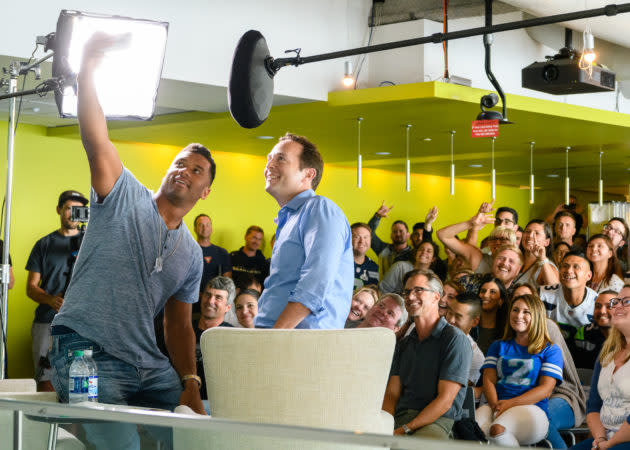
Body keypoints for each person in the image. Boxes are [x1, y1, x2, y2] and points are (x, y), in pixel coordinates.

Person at [48, 34, 210, 448]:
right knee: (122, 446)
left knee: (189, 439)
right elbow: (95, 136)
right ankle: (79, 417)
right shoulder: (123, 193)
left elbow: (179, 325)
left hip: (149, 366)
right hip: (84, 349)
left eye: (196, 170)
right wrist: (88, 66)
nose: (184, 171)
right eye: (179, 163)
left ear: (204, 191)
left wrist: (189, 380)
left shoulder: (191, 254)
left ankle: (82, 422)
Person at [254, 133, 353, 329]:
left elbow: (316, 282)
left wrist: (276, 334)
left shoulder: (319, 208)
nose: (269, 165)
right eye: (269, 158)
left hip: (299, 343)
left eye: (280, 158)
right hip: (280, 338)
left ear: (308, 174)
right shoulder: (291, 217)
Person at [382, 269, 472, 439]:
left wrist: (403, 430)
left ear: (437, 296)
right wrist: (384, 425)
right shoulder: (404, 344)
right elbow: (391, 394)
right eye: (407, 292)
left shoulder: (455, 339)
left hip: (436, 421)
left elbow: (445, 401)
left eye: (418, 290)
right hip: (401, 417)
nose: (410, 296)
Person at [476, 294, 563, 447]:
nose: (518, 316)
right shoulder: (497, 345)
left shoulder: (550, 349)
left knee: (496, 430)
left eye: (526, 312)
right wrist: (496, 405)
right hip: (496, 405)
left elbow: (546, 390)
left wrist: (509, 404)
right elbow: (488, 379)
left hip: (532, 410)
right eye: (515, 310)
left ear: (536, 316)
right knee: (474, 433)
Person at [511, 284, 587, 449]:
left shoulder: (547, 327)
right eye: (516, 304)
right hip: (524, 397)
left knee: (539, 419)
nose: (521, 312)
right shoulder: (511, 329)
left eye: (528, 304)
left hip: (561, 394)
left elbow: (559, 379)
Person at [26, 190, 87, 392]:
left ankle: (77, 424)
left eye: (79, 210)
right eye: (69, 208)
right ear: (59, 210)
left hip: (82, 322)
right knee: (46, 379)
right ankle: (47, 424)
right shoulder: (44, 244)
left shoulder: (92, 243)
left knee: (82, 380)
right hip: (47, 321)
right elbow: (31, 288)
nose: (73, 214)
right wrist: (51, 300)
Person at [570, 285, 630, 450]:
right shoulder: (606, 353)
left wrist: (609, 444)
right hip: (605, 438)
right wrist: (601, 439)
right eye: (617, 301)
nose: (617, 306)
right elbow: (594, 405)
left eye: (626, 302)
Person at [541, 250, 598, 340]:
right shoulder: (543, 295)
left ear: (589, 276)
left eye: (576, 267)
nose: (569, 270)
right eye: (565, 266)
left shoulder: (598, 304)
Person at [195, 277, 235, 400]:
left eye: (218, 298)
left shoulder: (234, 336)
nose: (210, 301)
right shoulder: (184, 328)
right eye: (208, 295)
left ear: (228, 307)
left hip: (215, 403)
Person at [445, 292, 485, 387]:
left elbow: (459, 391)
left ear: (474, 322)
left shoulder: (476, 358)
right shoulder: (432, 334)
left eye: (458, 317)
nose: (451, 320)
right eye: (450, 313)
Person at [570, 290, 616, 370]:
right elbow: (575, 368)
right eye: (597, 306)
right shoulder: (584, 332)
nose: (602, 311)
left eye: (609, 306)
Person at [193, 214, 231, 295]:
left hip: (215, 301)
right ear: (195, 229)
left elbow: (227, 282)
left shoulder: (222, 253)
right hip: (191, 300)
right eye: (201, 225)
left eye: (208, 225)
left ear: (211, 228)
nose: (205, 228)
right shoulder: (188, 251)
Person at [515, 219, 559, 288]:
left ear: (546, 242)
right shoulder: (515, 260)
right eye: (527, 231)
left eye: (537, 233)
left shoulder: (547, 266)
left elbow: (554, 289)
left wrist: (542, 259)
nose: (530, 236)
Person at [475, 274, 509, 354]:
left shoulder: (506, 331)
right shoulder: (470, 325)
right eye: (483, 291)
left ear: (500, 301)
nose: (485, 295)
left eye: (492, 292)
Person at [351, 222, 379, 289]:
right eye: (357, 237)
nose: (362, 241)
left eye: (365, 237)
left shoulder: (373, 267)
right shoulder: (339, 261)